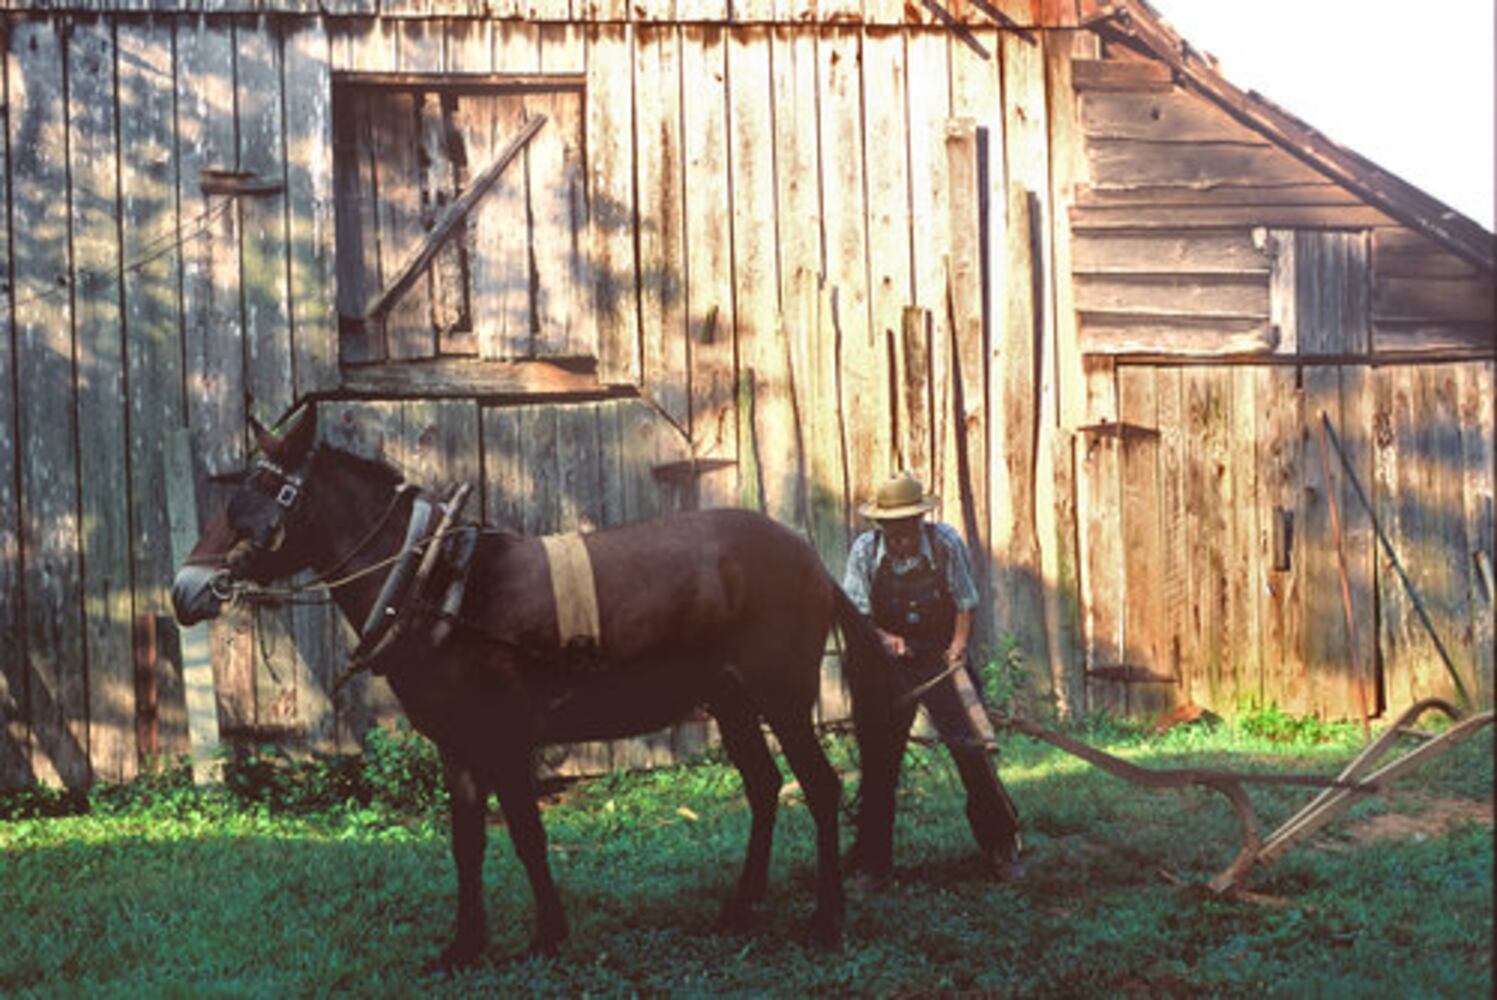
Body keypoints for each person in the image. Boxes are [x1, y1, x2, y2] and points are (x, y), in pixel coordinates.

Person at [842, 471, 1024, 888]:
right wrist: (886, 640)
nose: (901, 539)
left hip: (943, 659)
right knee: (880, 763)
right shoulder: (864, 553)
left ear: (920, 522)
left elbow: (965, 602)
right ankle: (872, 863)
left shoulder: (945, 544)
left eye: (907, 530)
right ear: (881, 526)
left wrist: (958, 647)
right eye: (892, 531)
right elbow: (858, 616)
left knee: (972, 752)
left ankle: (1001, 847)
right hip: (889, 666)